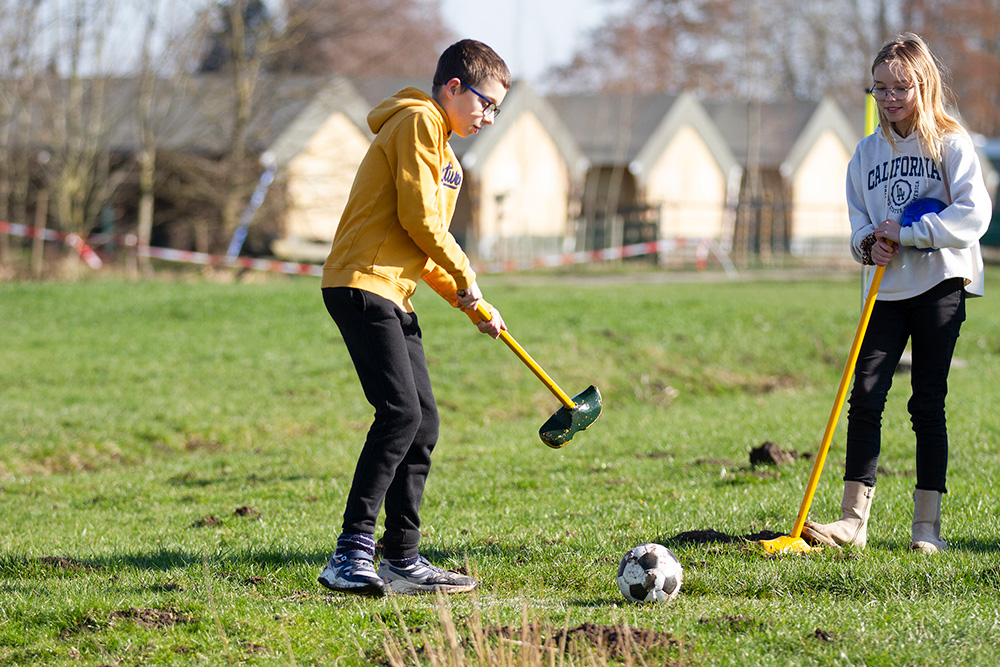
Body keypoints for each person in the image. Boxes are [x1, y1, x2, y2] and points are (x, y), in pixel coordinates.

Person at [317, 39, 511, 596]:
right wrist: (468, 275)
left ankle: (402, 559)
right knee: (399, 412)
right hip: (360, 283)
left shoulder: (449, 161)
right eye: (485, 103)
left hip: (394, 293)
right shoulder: (418, 121)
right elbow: (419, 218)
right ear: (453, 86)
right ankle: (350, 553)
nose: (489, 117)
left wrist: (468, 302)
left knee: (423, 421)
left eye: (497, 108)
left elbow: (423, 249)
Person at [802, 33, 991, 553]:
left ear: (923, 85)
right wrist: (868, 244)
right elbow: (857, 225)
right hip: (884, 290)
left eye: (900, 88)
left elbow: (974, 215)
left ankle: (926, 528)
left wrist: (908, 233)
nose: (888, 98)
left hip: (939, 283)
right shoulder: (865, 154)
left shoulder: (951, 142)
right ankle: (852, 523)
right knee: (864, 396)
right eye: (879, 88)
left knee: (927, 403)